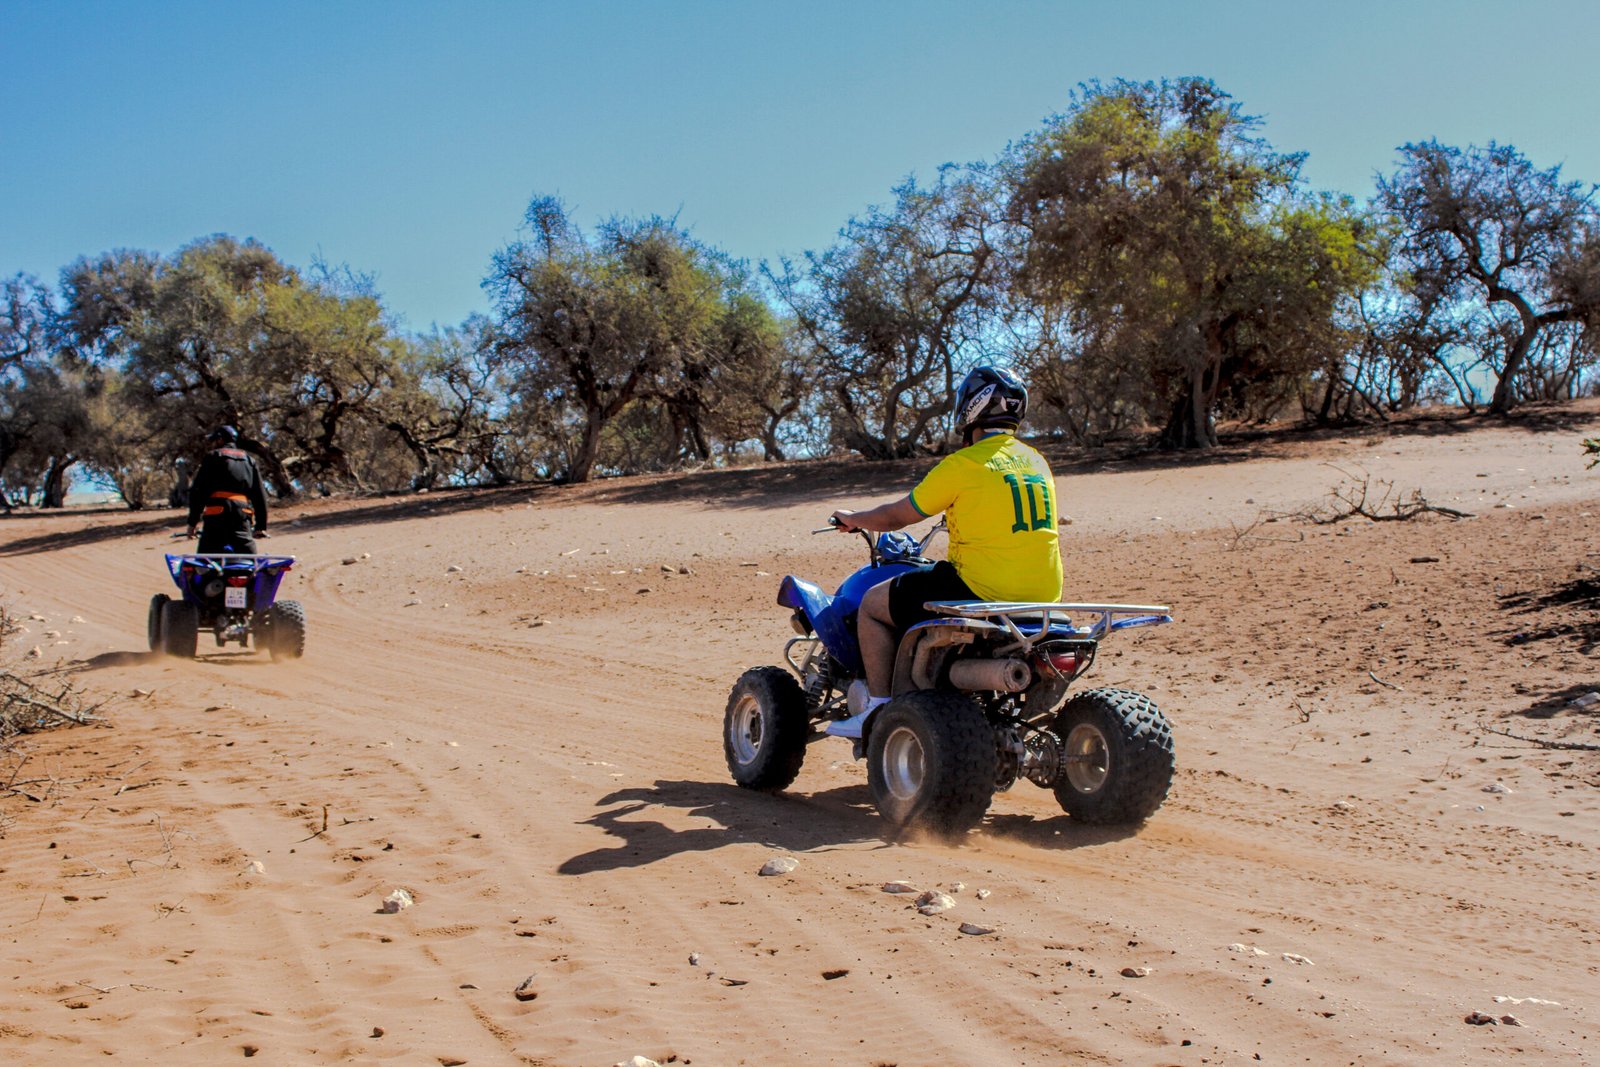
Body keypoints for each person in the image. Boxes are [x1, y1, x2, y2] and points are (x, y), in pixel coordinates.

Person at [828, 366, 1062, 737]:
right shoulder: (1037, 461)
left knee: (873, 606)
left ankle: (876, 710)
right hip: (1044, 596)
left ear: (972, 408)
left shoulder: (963, 464)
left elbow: (896, 516)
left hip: (980, 588)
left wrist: (855, 519)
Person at [185, 426, 269, 554]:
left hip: (217, 513)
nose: (213, 444)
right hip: (241, 513)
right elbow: (260, 495)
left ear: (220, 440)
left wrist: (192, 523)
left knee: (207, 559)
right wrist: (260, 527)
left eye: (214, 441)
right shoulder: (249, 460)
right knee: (247, 556)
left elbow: (198, 492)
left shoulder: (213, 456)